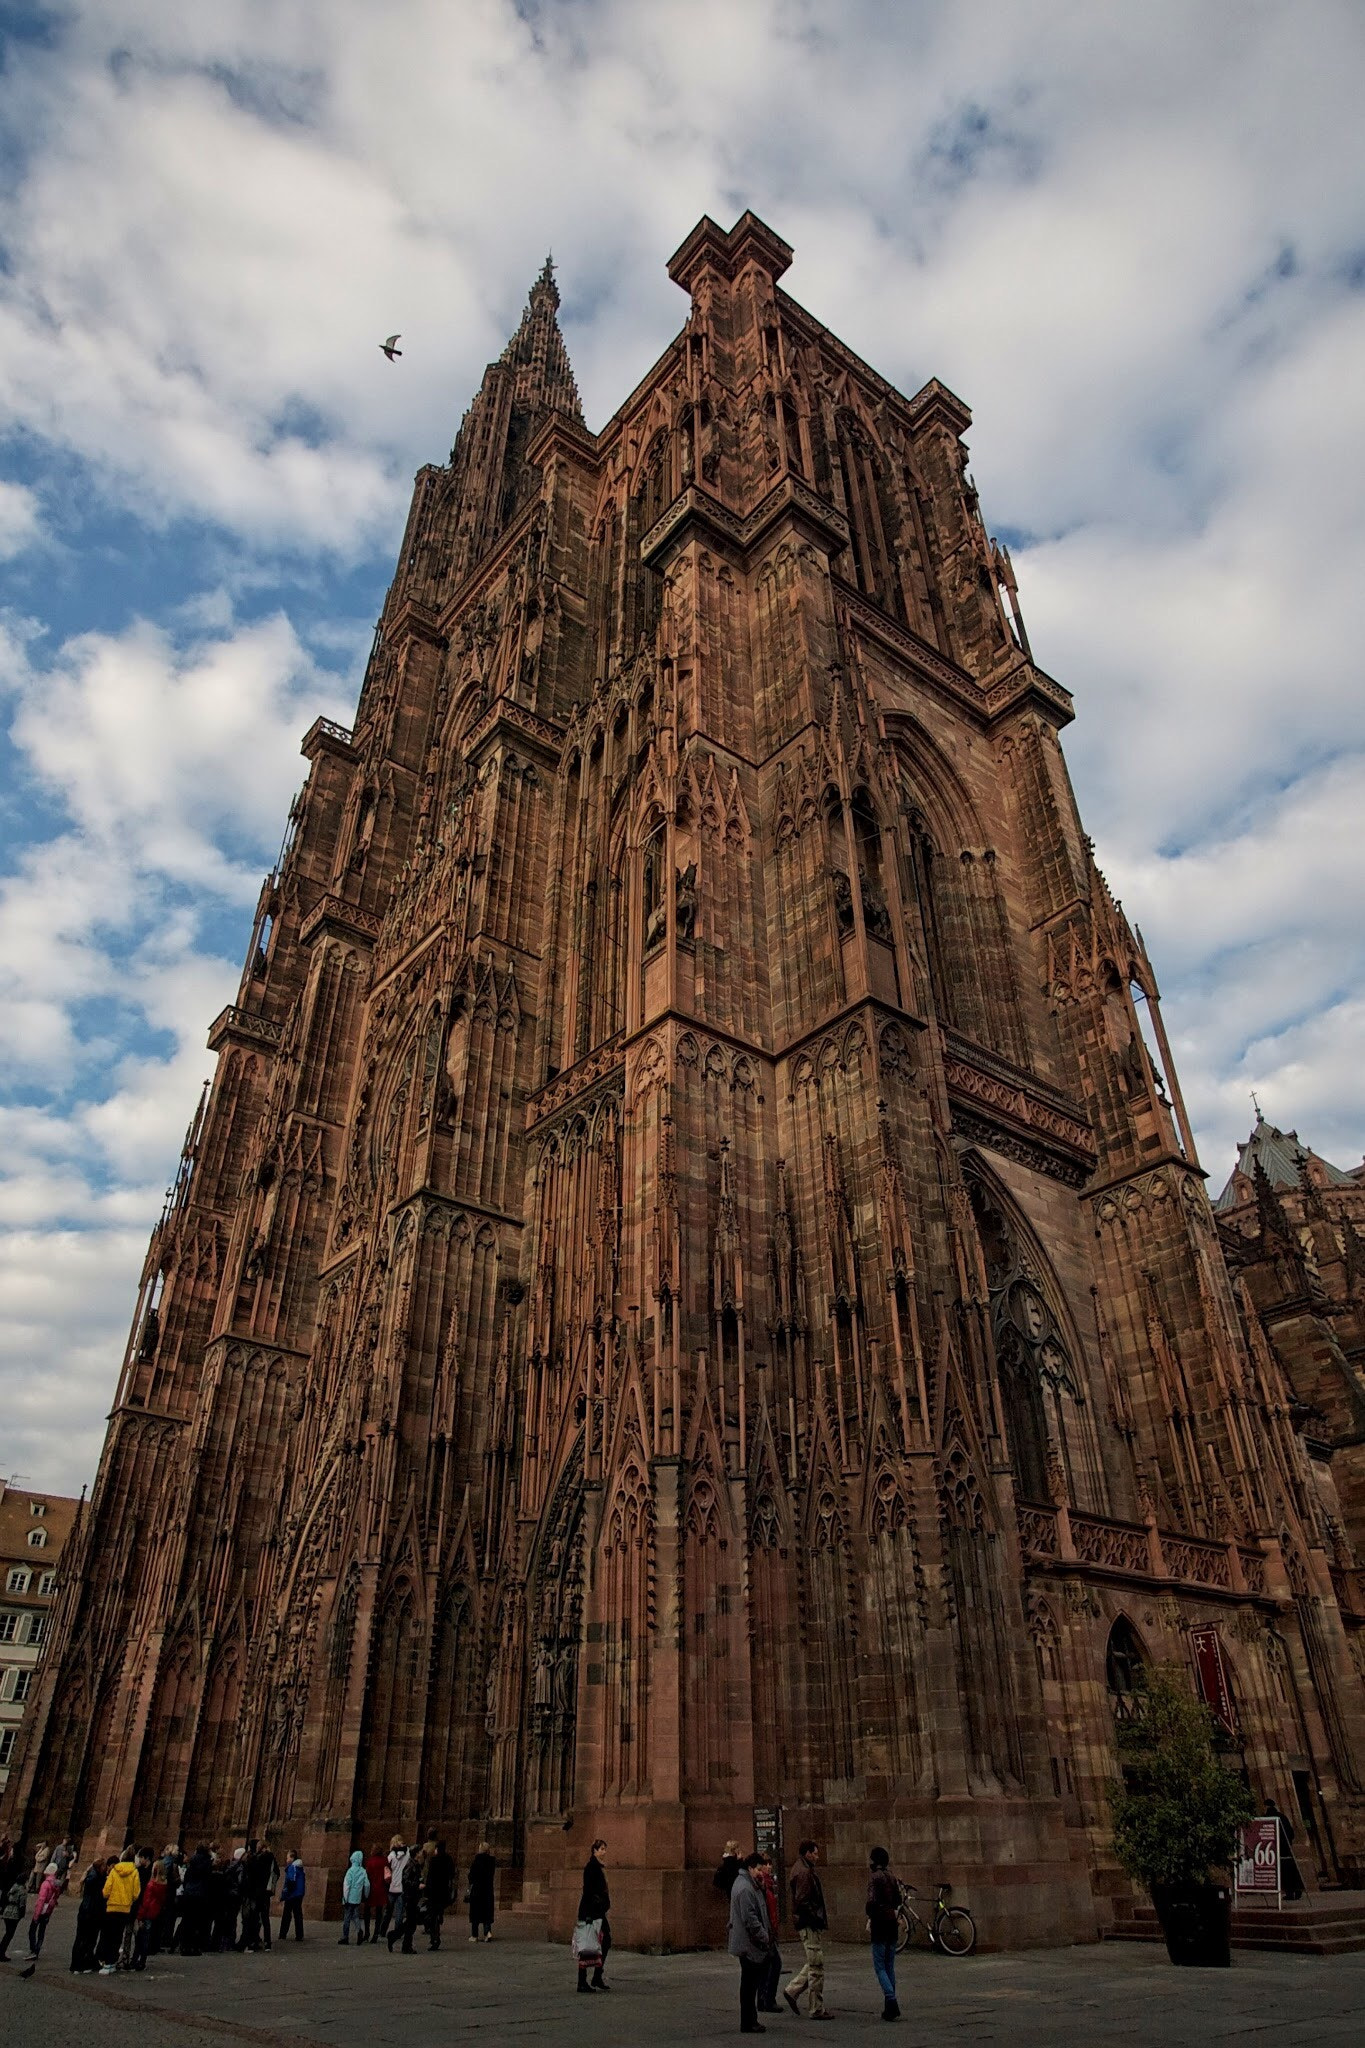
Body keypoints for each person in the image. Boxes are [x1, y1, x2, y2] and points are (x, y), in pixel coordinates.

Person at [728, 1851, 774, 2035]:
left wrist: (761, 1886)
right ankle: (749, 2022)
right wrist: (765, 1937)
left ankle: (750, 2020)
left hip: (746, 1941)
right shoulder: (746, 1888)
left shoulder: (746, 1884)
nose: (761, 1873)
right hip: (749, 1944)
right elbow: (751, 1919)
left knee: (749, 1984)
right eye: (758, 1869)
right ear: (750, 1868)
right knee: (749, 1985)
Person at [784, 1839, 829, 2019]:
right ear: (808, 1853)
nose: (817, 1857)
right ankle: (816, 2008)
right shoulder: (804, 1872)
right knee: (816, 1965)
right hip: (808, 1923)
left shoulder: (802, 1869)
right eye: (815, 1853)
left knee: (813, 1961)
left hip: (807, 1922)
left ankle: (792, 1990)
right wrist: (815, 1918)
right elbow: (803, 1901)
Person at [866, 1847, 901, 2023]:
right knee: (889, 1966)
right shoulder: (891, 1876)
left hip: (879, 1923)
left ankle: (891, 2000)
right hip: (892, 1923)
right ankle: (889, 2005)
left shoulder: (875, 1878)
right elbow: (898, 1900)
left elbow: (871, 1902)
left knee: (879, 1966)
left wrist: (870, 1915)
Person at [575, 1838, 611, 1994]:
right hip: (591, 1912)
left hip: (597, 1911)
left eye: (604, 1848)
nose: (604, 1851)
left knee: (603, 1941)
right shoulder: (591, 1867)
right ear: (594, 1851)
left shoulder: (597, 1867)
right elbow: (589, 1891)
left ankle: (596, 1975)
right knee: (587, 1945)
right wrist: (599, 1904)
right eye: (601, 1849)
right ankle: (583, 1981)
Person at [99, 1846, 141, 1972]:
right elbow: (136, 1893)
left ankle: (107, 1963)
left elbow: (106, 1891)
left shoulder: (114, 1871)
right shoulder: (134, 1872)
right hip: (125, 1909)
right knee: (117, 1937)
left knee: (108, 1936)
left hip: (112, 1907)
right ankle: (112, 1963)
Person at [69, 1857, 107, 1974]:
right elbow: (101, 1896)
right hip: (92, 1913)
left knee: (81, 1938)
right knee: (88, 1939)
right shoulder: (98, 1879)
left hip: (85, 1911)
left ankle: (77, 1964)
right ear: (100, 1867)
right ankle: (81, 1964)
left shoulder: (90, 1876)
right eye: (104, 1866)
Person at [1265, 1798, 1306, 1901]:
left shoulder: (1267, 1818)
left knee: (1283, 1871)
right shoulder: (1282, 1816)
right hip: (1286, 1848)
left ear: (1265, 1806)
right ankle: (1297, 1890)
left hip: (1274, 1848)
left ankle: (1289, 1892)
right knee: (1291, 1869)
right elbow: (1291, 1833)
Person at [756, 1851, 782, 2013]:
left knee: (767, 1966)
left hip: (770, 1930)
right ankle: (767, 1999)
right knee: (774, 1964)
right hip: (766, 1932)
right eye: (765, 1864)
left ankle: (763, 1999)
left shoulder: (768, 1884)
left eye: (770, 1863)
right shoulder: (762, 1885)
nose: (769, 1867)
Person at [178, 1844, 213, 1955]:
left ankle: (184, 1947)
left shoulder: (192, 1861)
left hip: (189, 1893)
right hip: (201, 1894)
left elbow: (187, 1877)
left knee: (187, 1920)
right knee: (198, 1922)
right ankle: (194, 1947)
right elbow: (208, 1879)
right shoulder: (207, 1862)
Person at [133, 1863, 167, 1970]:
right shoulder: (164, 1883)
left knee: (140, 1938)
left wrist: (139, 1916)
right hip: (156, 1911)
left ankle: (135, 1960)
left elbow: (146, 1901)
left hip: (147, 1912)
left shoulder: (151, 1884)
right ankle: (142, 1961)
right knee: (147, 1937)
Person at [425, 1839, 455, 1950]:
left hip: (434, 1891)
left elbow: (430, 1877)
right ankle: (436, 1931)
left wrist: (427, 1891)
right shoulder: (448, 1859)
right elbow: (452, 1874)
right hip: (443, 1891)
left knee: (433, 1916)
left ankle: (435, 1938)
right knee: (437, 1913)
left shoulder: (434, 1860)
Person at [28, 1862, 62, 1957]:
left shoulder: (46, 1884)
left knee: (32, 1930)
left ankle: (33, 1949)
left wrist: (36, 1914)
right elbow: (56, 1897)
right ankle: (37, 1950)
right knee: (41, 1931)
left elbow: (41, 1899)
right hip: (48, 1909)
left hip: (42, 1908)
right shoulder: (56, 1884)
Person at [382, 1838, 409, 1948]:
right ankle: (397, 1932)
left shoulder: (391, 1856)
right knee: (399, 1912)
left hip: (392, 1886)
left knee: (388, 1911)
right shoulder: (407, 1855)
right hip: (401, 1887)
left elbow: (386, 1868)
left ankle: (382, 1930)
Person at [467, 1841, 496, 1942]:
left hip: (477, 1890)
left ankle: (474, 1935)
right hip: (487, 1890)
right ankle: (487, 1932)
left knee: (475, 1913)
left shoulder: (477, 1860)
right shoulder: (491, 1861)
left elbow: (471, 1876)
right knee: (486, 1913)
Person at [397, 1845, 423, 1953]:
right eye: (420, 1852)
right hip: (410, 1896)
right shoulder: (411, 1864)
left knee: (410, 1922)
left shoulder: (415, 1864)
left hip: (412, 1896)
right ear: (416, 1853)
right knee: (411, 1923)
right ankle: (406, 1946)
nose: (421, 1853)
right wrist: (417, 1885)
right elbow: (405, 1880)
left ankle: (404, 1943)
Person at [339, 1851, 370, 1944]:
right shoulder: (363, 1871)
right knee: (356, 1916)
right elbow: (367, 1884)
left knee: (347, 1917)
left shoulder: (350, 1871)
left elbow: (346, 1885)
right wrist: (366, 1895)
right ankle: (359, 1929)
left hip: (349, 1897)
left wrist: (345, 1897)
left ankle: (345, 1937)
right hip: (357, 1897)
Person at [362, 1847, 388, 1943]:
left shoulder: (370, 1861)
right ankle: (376, 1933)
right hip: (381, 1888)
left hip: (371, 1889)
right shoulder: (385, 1861)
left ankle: (367, 1932)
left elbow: (367, 1874)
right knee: (379, 1912)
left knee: (367, 1911)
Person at [278, 1852, 305, 1941]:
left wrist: (286, 1894)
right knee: (298, 1914)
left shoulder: (292, 1867)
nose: (287, 1860)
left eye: (288, 1858)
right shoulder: (300, 1868)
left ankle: (283, 1934)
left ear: (292, 1858)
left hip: (292, 1894)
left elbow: (291, 1881)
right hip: (299, 1893)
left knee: (287, 1914)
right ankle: (299, 1935)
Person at [1, 1869, 28, 1959]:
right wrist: (22, 1914)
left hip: (7, 1911)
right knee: (9, 1934)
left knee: (7, 1933)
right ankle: (1, 1952)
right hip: (14, 1913)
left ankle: (1, 1951)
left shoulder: (13, 1887)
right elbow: (22, 1904)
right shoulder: (22, 1890)